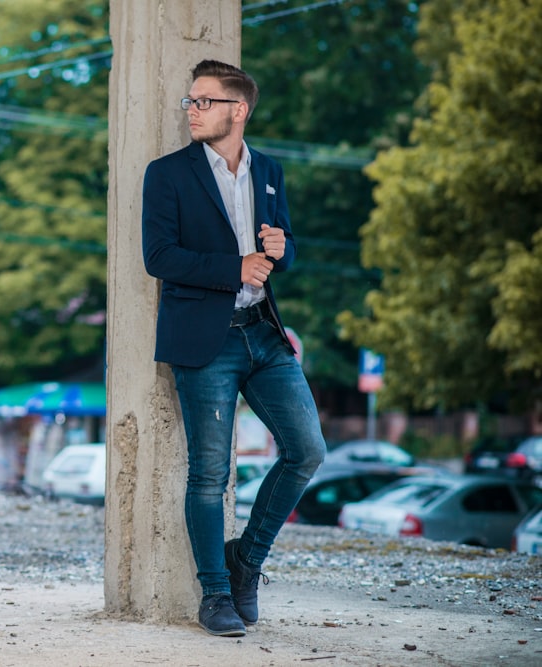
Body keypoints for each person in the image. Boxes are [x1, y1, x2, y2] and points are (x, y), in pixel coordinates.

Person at [141, 59, 325, 638]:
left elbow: (284, 253)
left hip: (264, 335)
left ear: (237, 110)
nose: (193, 110)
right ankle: (215, 595)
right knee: (209, 474)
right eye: (190, 102)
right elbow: (159, 258)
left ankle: (245, 562)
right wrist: (234, 267)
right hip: (205, 340)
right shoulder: (167, 174)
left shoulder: (269, 171)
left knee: (307, 451)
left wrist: (280, 246)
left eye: (204, 101)